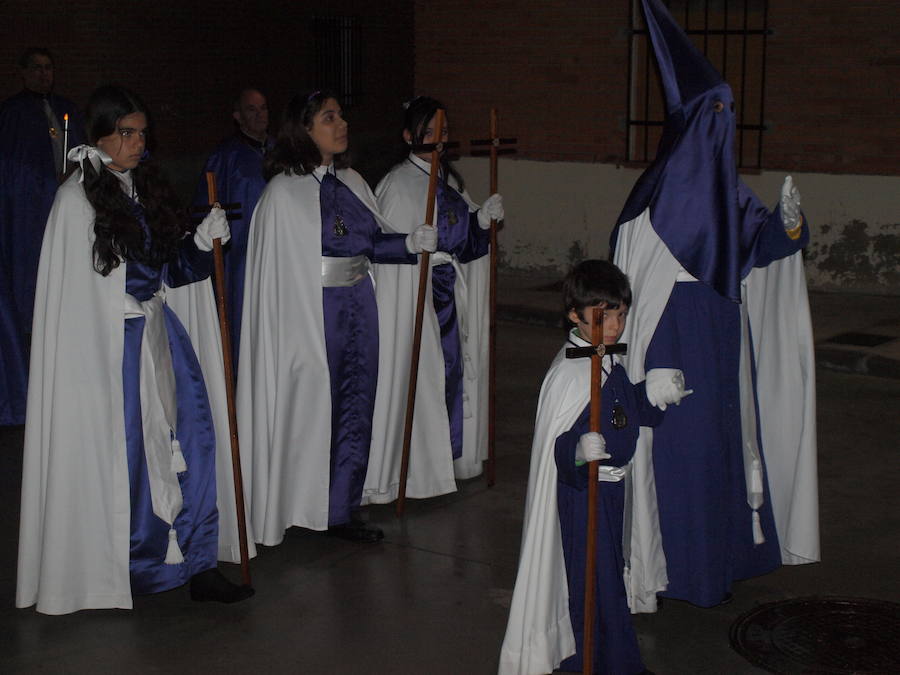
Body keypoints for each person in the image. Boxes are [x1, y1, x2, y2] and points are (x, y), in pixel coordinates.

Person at [609, 0, 819, 611]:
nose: (726, 125)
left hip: (722, 332)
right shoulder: (652, 201)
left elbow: (761, 246)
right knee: (685, 450)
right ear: (696, 123)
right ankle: (683, 572)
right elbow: (630, 285)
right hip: (672, 338)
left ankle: (726, 559)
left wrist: (789, 224)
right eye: (717, 113)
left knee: (727, 443)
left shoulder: (727, 190)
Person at [16, 85, 254, 615]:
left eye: (143, 133)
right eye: (127, 133)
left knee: (193, 438)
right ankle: (136, 567)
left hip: (157, 335)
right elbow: (87, 292)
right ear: (99, 134)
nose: (137, 143)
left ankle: (198, 564)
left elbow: (164, 270)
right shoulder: (76, 200)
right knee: (131, 459)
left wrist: (197, 246)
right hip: (112, 351)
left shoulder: (138, 189)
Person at [237, 90, 436, 545]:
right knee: (310, 411)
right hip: (311, 317)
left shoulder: (353, 183)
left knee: (355, 406)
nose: (341, 124)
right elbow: (279, 274)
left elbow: (369, 243)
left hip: (359, 309)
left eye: (342, 115)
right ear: (304, 130)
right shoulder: (284, 195)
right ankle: (298, 503)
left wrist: (406, 244)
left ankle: (341, 507)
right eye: (329, 117)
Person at [499, 260, 690, 674]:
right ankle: (593, 663)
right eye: (605, 315)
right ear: (574, 314)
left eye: (621, 313)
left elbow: (624, 411)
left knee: (608, 578)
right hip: (582, 497)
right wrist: (577, 450)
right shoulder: (570, 373)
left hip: (611, 493)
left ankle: (610, 660)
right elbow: (557, 448)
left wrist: (652, 394)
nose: (616, 325)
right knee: (592, 583)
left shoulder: (606, 360)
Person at [363, 96, 504, 505]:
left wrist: (481, 221)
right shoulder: (398, 184)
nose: (437, 139)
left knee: (451, 375)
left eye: (442, 130)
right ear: (409, 136)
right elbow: (385, 247)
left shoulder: (449, 181)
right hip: (419, 297)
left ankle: (447, 457)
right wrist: (410, 246)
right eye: (428, 131)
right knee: (421, 379)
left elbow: (462, 240)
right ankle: (413, 471)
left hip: (447, 295)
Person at [0, 48, 85, 425]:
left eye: (49, 68)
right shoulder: (12, 113)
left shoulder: (67, 109)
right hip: (28, 217)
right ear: (22, 73)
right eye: (35, 68)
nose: (43, 75)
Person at [193, 88, 273, 373]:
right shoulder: (225, 157)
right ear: (237, 116)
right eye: (252, 109)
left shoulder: (282, 151)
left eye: (263, 108)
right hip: (241, 256)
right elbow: (206, 208)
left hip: (278, 253)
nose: (260, 114)